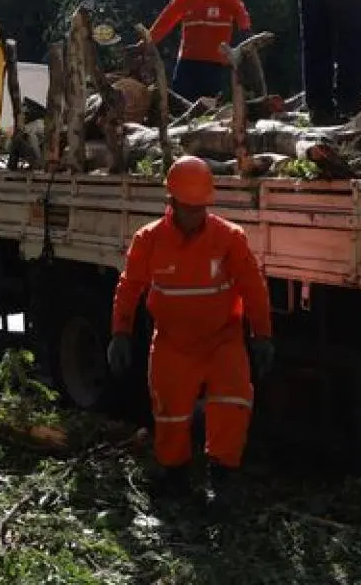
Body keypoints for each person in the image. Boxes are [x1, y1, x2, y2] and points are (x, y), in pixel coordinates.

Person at [106, 155, 274, 507]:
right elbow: (129, 285)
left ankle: (223, 476)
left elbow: (253, 287)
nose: (196, 215)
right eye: (189, 208)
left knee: (233, 402)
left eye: (201, 208)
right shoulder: (149, 240)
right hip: (173, 341)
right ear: (172, 203)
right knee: (170, 411)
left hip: (222, 338)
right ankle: (175, 474)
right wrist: (120, 333)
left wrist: (262, 336)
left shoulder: (229, 238)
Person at [146, 0, 252, 102]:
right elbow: (165, 21)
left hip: (214, 63)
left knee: (208, 108)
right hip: (188, 62)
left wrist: (246, 36)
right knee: (179, 103)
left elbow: (241, 14)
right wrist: (146, 43)